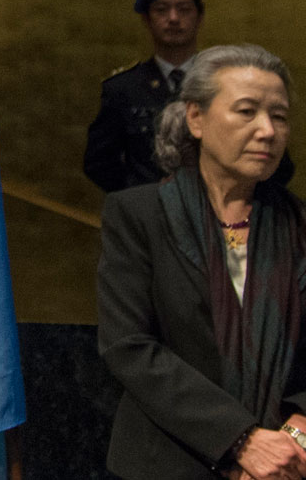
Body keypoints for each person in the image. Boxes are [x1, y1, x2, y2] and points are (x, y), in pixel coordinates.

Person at [98, 44, 306, 480]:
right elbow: (129, 347)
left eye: (280, 116)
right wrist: (242, 439)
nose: (267, 130)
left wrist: (296, 431)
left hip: (287, 465)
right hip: (169, 462)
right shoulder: (139, 215)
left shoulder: (298, 225)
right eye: (247, 111)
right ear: (196, 118)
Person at [88, 0, 210, 192]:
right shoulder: (123, 89)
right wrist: (139, 198)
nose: (173, 18)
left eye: (183, 9)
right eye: (162, 10)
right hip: (148, 217)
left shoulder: (222, 83)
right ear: (146, 19)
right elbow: (99, 162)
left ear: (199, 17)